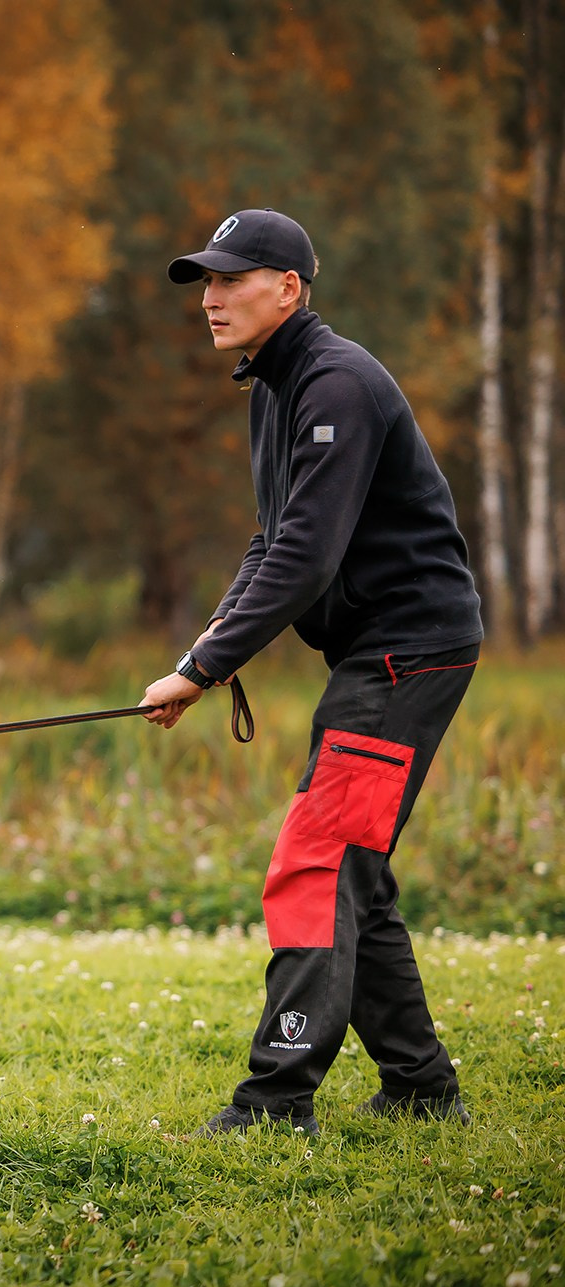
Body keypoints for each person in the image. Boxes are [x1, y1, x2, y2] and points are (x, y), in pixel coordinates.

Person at [139, 208, 484, 1137]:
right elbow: (273, 540)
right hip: (380, 651)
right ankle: (421, 1084)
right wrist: (198, 654)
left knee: (319, 860)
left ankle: (276, 1099)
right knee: (354, 869)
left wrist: (207, 668)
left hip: (408, 649)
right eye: (204, 283)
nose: (209, 299)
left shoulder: (337, 384)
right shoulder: (275, 386)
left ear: (287, 288)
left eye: (228, 279)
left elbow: (307, 559)